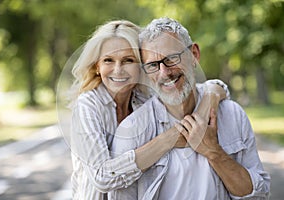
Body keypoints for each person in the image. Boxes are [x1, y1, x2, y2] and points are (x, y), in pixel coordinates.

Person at [110, 17, 270, 199]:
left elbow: (258, 196)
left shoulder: (232, 114)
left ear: (194, 54)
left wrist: (214, 152)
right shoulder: (133, 130)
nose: (164, 73)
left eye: (171, 58)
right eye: (153, 65)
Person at [69, 19, 228, 200]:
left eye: (128, 60)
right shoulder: (87, 106)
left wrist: (212, 95)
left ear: (142, 66)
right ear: (97, 66)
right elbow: (102, 177)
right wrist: (170, 138)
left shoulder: (143, 99)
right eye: (108, 60)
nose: (118, 70)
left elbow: (209, 88)